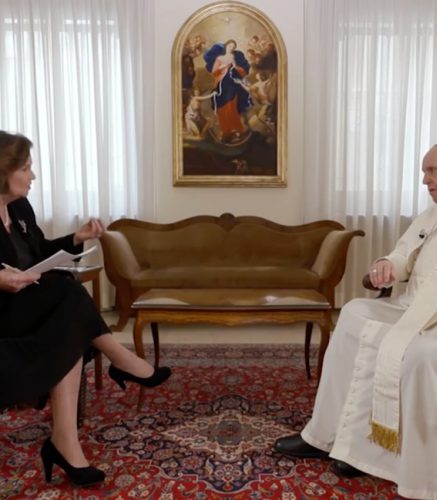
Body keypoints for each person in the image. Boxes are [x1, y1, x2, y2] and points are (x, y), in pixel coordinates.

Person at [274, 139, 437, 499]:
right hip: (413, 306)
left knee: (421, 354)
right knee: (353, 315)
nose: (425, 180)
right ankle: (324, 436)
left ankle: (418, 472)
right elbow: (404, 253)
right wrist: (387, 265)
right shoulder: (436, 210)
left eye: (432, 171)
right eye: (423, 172)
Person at [0, 131, 171, 487]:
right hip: (3, 313)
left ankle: (64, 441)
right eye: (26, 168)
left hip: (26, 304)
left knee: (67, 307)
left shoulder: (19, 208)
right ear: (3, 170)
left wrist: (76, 238)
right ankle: (120, 360)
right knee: (67, 293)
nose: (33, 176)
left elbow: (39, 252)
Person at [203, 39, 252, 142]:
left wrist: (235, 68)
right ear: (226, 46)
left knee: (232, 106)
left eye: (233, 47)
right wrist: (223, 67)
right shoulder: (220, 58)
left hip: (231, 83)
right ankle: (226, 130)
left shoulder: (233, 57)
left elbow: (237, 70)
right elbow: (214, 72)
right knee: (222, 107)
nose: (231, 48)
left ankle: (236, 129)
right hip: (222, 83)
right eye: (230, 46)